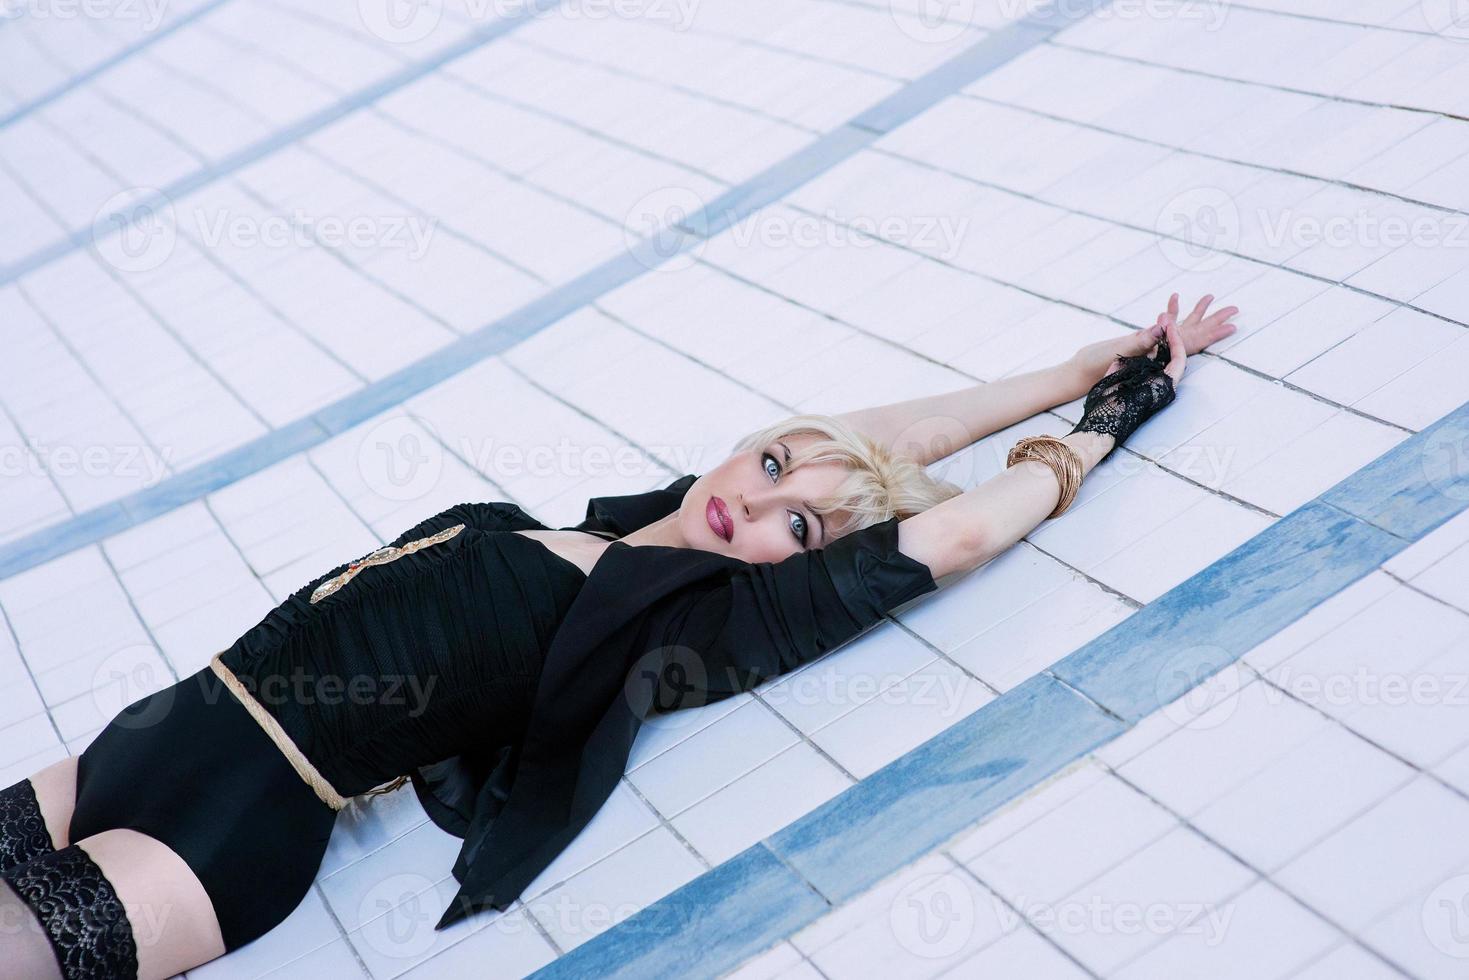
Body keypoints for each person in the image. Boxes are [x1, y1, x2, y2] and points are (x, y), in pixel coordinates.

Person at [0, 294, 1234, 979]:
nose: (750, 502)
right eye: (766, 461)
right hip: (153, 728)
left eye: (790, 522)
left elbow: (951, 537)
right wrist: (1060, 363)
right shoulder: (628, 526)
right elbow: (877, 429)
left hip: (240, 827)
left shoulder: (705, 613)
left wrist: (1102, 416)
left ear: (800, 561)